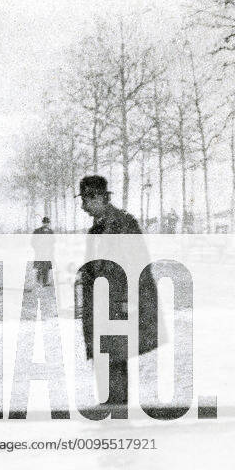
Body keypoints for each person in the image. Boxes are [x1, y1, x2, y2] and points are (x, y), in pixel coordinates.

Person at [78, 175, 158, 410]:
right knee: (106, 355)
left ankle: (116, 410)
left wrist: (129, 301)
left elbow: (139, 264)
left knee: (114, 357)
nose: (83, 206)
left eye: (85, 200)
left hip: (118, 304)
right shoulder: (98, 227)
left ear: (99, 197)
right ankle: (110, 405)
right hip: (103, 303)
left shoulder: (123, 224)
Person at [32, 216, 55, 286]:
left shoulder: (51, 232)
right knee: (40, 266)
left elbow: (53, 242)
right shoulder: (37, 231)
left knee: (46, 267)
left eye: (47, 223)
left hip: (48, 252)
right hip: (40, 252)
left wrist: (50, 249)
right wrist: (38, 248)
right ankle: (39, 282)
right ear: (42, 223)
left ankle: (45, 282)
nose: (46, 224)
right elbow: (33, 242)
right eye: (45, 223)